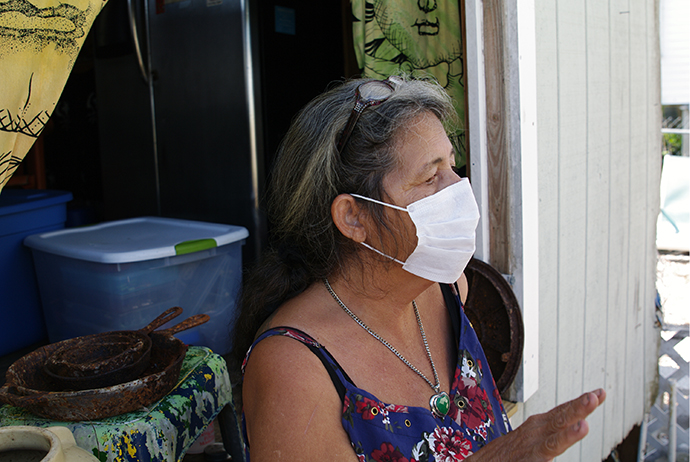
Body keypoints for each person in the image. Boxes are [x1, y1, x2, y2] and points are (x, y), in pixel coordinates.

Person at [231, 75, 605, 461]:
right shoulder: (293, 369)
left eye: (452, 166)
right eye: (430, 177)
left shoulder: (447, 290)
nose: (458, 188)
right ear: (353, 217)